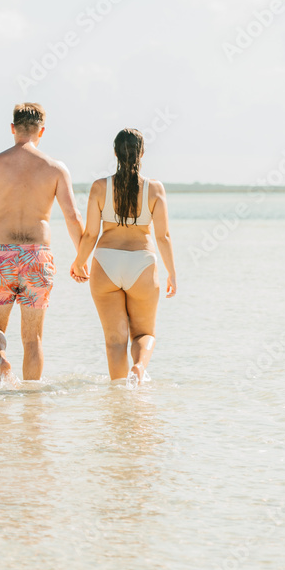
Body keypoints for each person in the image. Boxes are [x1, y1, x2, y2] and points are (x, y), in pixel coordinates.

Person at [0, 103, 84, 387]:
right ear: (42, 131)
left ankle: (2, 360)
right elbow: (73, 217)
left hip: (0, 256)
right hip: (37, 258)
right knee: (33, 338)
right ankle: (32, 407)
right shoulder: (55, 168)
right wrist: (82, 258)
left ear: (12, 129)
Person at [70, 128, 176, 385]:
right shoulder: (154, 189)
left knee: (114, 341)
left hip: (106, 261)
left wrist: (79, 262)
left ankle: (119, 395)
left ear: (115, 152)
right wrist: (172, 273)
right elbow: (163, 237)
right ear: (142, 153)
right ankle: (139, 368)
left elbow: (90, 234)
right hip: (141, 261)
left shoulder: (99, 187)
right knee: (143, 334)